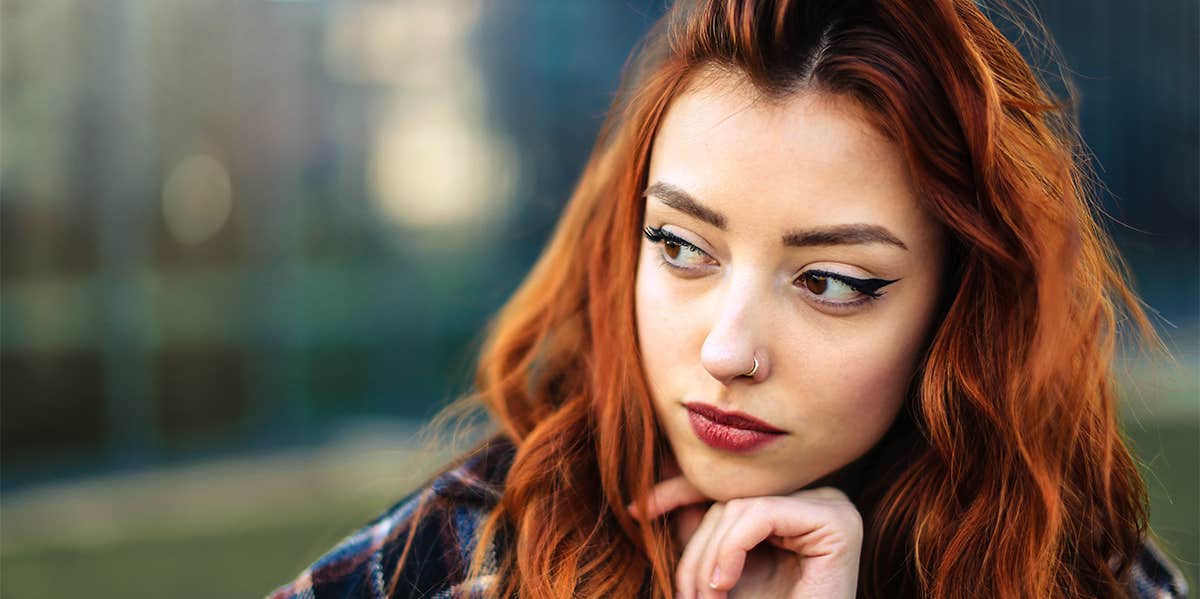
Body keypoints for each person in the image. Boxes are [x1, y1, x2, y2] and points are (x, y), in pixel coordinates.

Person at [267, 0, 1190, 597]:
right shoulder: (459, 557)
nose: (726, 349)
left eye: (830, 281)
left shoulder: (1087, 577)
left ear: (961, 311)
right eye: (679, 245)